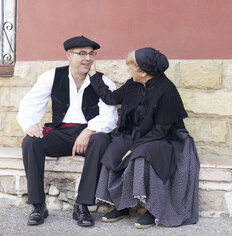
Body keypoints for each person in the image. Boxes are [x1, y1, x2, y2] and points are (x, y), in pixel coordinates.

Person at [88, 47, 200, 229]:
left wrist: (134, 148)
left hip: (166, 138)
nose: (128, 70)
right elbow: (110, 97)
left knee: (141, 154)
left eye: (130, 67)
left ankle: (151, 208)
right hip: (136, 134)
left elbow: (161, 130)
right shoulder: (133, 84)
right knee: (114, 149)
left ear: (143, 71)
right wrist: (94, 75)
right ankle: (121, 205)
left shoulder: (166, 90)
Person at [16, 36, 118, 227]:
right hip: (61, 133)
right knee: (31, 141)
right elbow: (30, 103)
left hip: (89, 134)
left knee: (101, 140)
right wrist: (30, 124)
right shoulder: (52, 76)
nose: (87, 58)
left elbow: (110, 116)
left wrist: (89, 131)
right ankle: (38, 205)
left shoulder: (102, 81)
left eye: (91, 53)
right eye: (81, 53)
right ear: (69, 56)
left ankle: (82, 205)